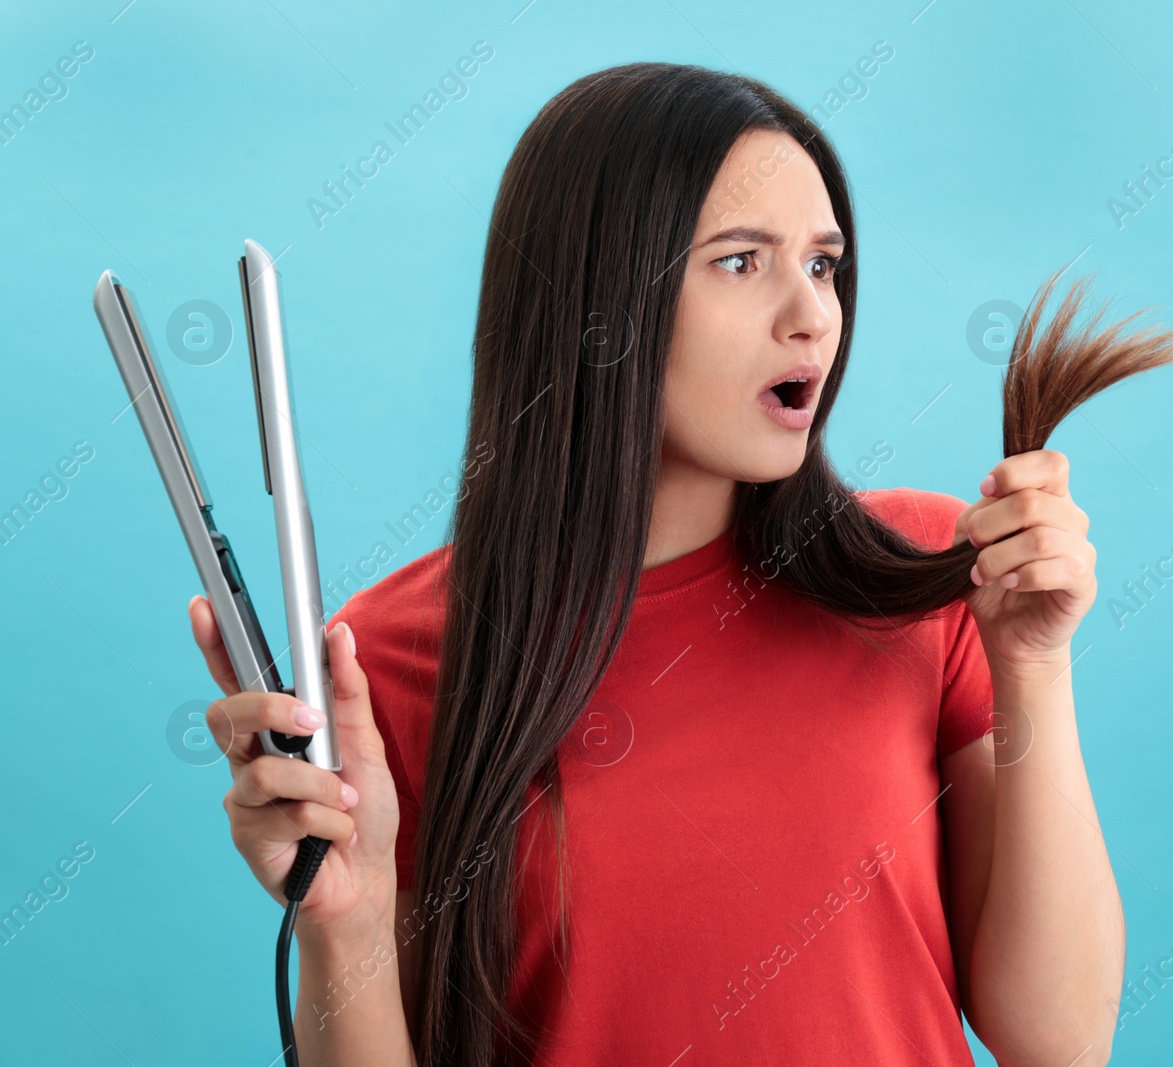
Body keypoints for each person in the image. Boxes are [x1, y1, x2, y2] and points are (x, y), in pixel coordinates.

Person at [189, 61, 1125, 1067]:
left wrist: (1032, 664)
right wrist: (346, 917)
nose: (810, 313)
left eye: (821, 262)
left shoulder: (921, 571)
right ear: (596, 308)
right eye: (739, 262)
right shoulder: (390, 660)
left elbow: (1058, 1040)